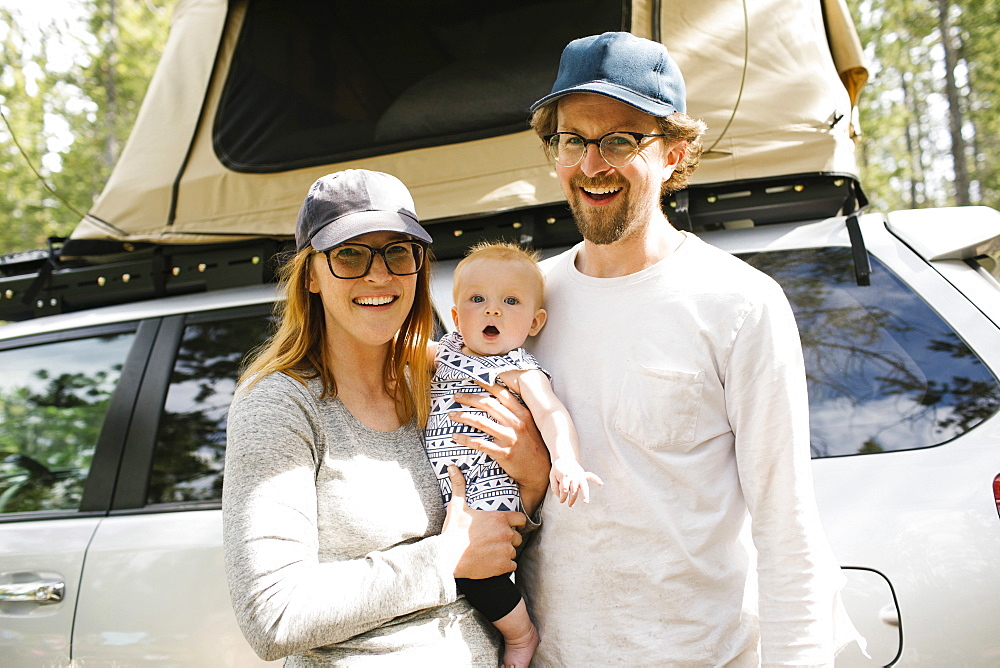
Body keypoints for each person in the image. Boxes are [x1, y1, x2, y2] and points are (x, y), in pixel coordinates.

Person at [515, 32, 865, 666]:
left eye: (620, 140)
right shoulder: (528, 303)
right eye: (573, 140)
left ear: (674, 153)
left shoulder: (739, 303)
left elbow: (787, 528)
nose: (592, 165)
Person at [222, 169, 550, 666]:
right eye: (349, 254)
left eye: (398, 252)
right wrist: (444, 559)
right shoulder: (279, 405)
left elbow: (493, 542)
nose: (379, 275)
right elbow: (273, 615)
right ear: (310, 274)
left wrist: (532, 481)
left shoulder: (445, 378)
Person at [426, 241, 602, 668]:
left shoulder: (520, 370)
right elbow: (400, 353)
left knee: (475, 570)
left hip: (493, 483)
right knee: (456, 565)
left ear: (535, 321)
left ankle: (521, 636)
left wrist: (565, 461)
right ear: (455, 317)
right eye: (477, 299)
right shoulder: (446, 351)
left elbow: (553, 414)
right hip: (454, 486)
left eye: (510, 301)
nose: (492, 311)